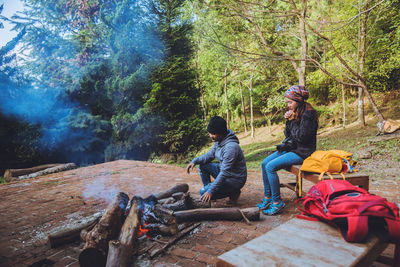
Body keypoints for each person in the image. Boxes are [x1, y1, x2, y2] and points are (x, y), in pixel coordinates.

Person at [257, 85, 318, 215]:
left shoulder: (309, 114)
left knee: (270, 167)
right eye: (287, 103)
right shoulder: (297, 112)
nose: (288, 105)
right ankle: (268, 197)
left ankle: (277, 202)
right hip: (292, 148)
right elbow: (288, 135)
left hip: (303, 152)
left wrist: (292, 121)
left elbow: (302, 138)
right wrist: (288, 121)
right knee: (264, 163)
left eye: (290, 102)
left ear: (299, 100)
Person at [186, 116, 247, 204]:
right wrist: (195, 161)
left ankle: (234, 191)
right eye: (210, 133)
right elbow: (209, 155)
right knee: (203, 165)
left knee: (203, 192)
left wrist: (211, 191)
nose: (211, 136)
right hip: (226, 173)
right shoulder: (218, 141)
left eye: (213, 133)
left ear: (221, 133)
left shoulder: (231, 147)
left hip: (234, 179)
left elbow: (224, 172)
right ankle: (212, 192)